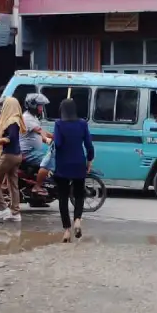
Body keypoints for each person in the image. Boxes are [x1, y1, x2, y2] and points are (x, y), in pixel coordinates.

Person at [50, 98, 95, 243]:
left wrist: (52, 139)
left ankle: (66, 231)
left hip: (63, 165)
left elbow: (58, 143)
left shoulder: (59, 124)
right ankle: (77, 220)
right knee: (79, 195)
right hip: (78, 163)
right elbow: (89, 145)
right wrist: (89, 160)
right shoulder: (82, 124)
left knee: (63, 197)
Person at [0, 97, 25, 222]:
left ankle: (3, 209)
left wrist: (0, 140)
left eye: (3, 106)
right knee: (12, 184)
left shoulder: (12, 120)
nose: (2, 108)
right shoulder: (15, 119)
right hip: (16, 155)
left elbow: (12, 137)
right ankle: (15, 213)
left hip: (9, 155)